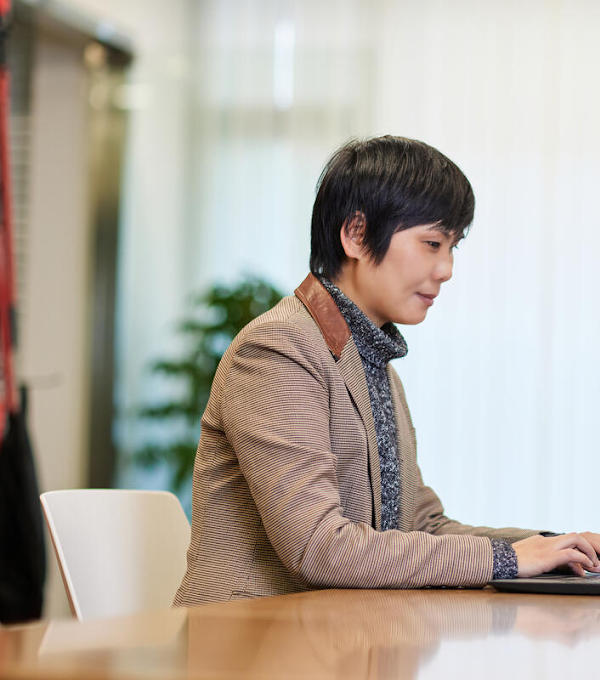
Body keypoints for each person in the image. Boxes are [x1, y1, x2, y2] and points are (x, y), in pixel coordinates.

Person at [174, 136, 600, 606]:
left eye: (453, 247)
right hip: (247, 646)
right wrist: (507, 560)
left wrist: (557, 547)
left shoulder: (369, 358)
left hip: (339, 640)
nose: (447, 269)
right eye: (432, 243)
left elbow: (421, 527)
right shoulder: (279, 348)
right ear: (356, 234)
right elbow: (319, 546)